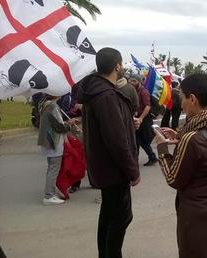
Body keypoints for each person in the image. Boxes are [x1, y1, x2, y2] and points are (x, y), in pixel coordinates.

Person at [154, 73, 207, 258]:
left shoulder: (193, 138)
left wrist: (162, 147)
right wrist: (179, 137)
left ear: (193, 99)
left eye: (182, 97)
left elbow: (173, 178)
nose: (180, 102)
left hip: (197, 217)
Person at [77, 47, 140, 257]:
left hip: (105, 168)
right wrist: (133, 171)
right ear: (118, 66)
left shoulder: (98, 91)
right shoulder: (106, 95)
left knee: (109, 216)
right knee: (120, 218)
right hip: (113, 170)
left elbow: (111, 129)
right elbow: (116, 140)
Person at [37, 94, 75, 205]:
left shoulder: (44, 104)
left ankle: (50, 193)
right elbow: (59, 126)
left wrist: (66, 124)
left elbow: (55, 123)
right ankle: (49, 195)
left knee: (51, 168)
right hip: (53, 140)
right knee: (53, 169)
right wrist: (69, 125)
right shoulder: (52, 107)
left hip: (49, 140)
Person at [130, 74, 158, 166]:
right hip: (137, 118)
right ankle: (135, 159)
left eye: (134, 81)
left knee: (142, 140)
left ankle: (152, 157)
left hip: (144, 119)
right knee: (136, 139)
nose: (132, 82)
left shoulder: (143, 92)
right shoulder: (134, 91)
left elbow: (147, 106)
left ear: (139, 81)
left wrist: (141, 118)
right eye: (131, 80)